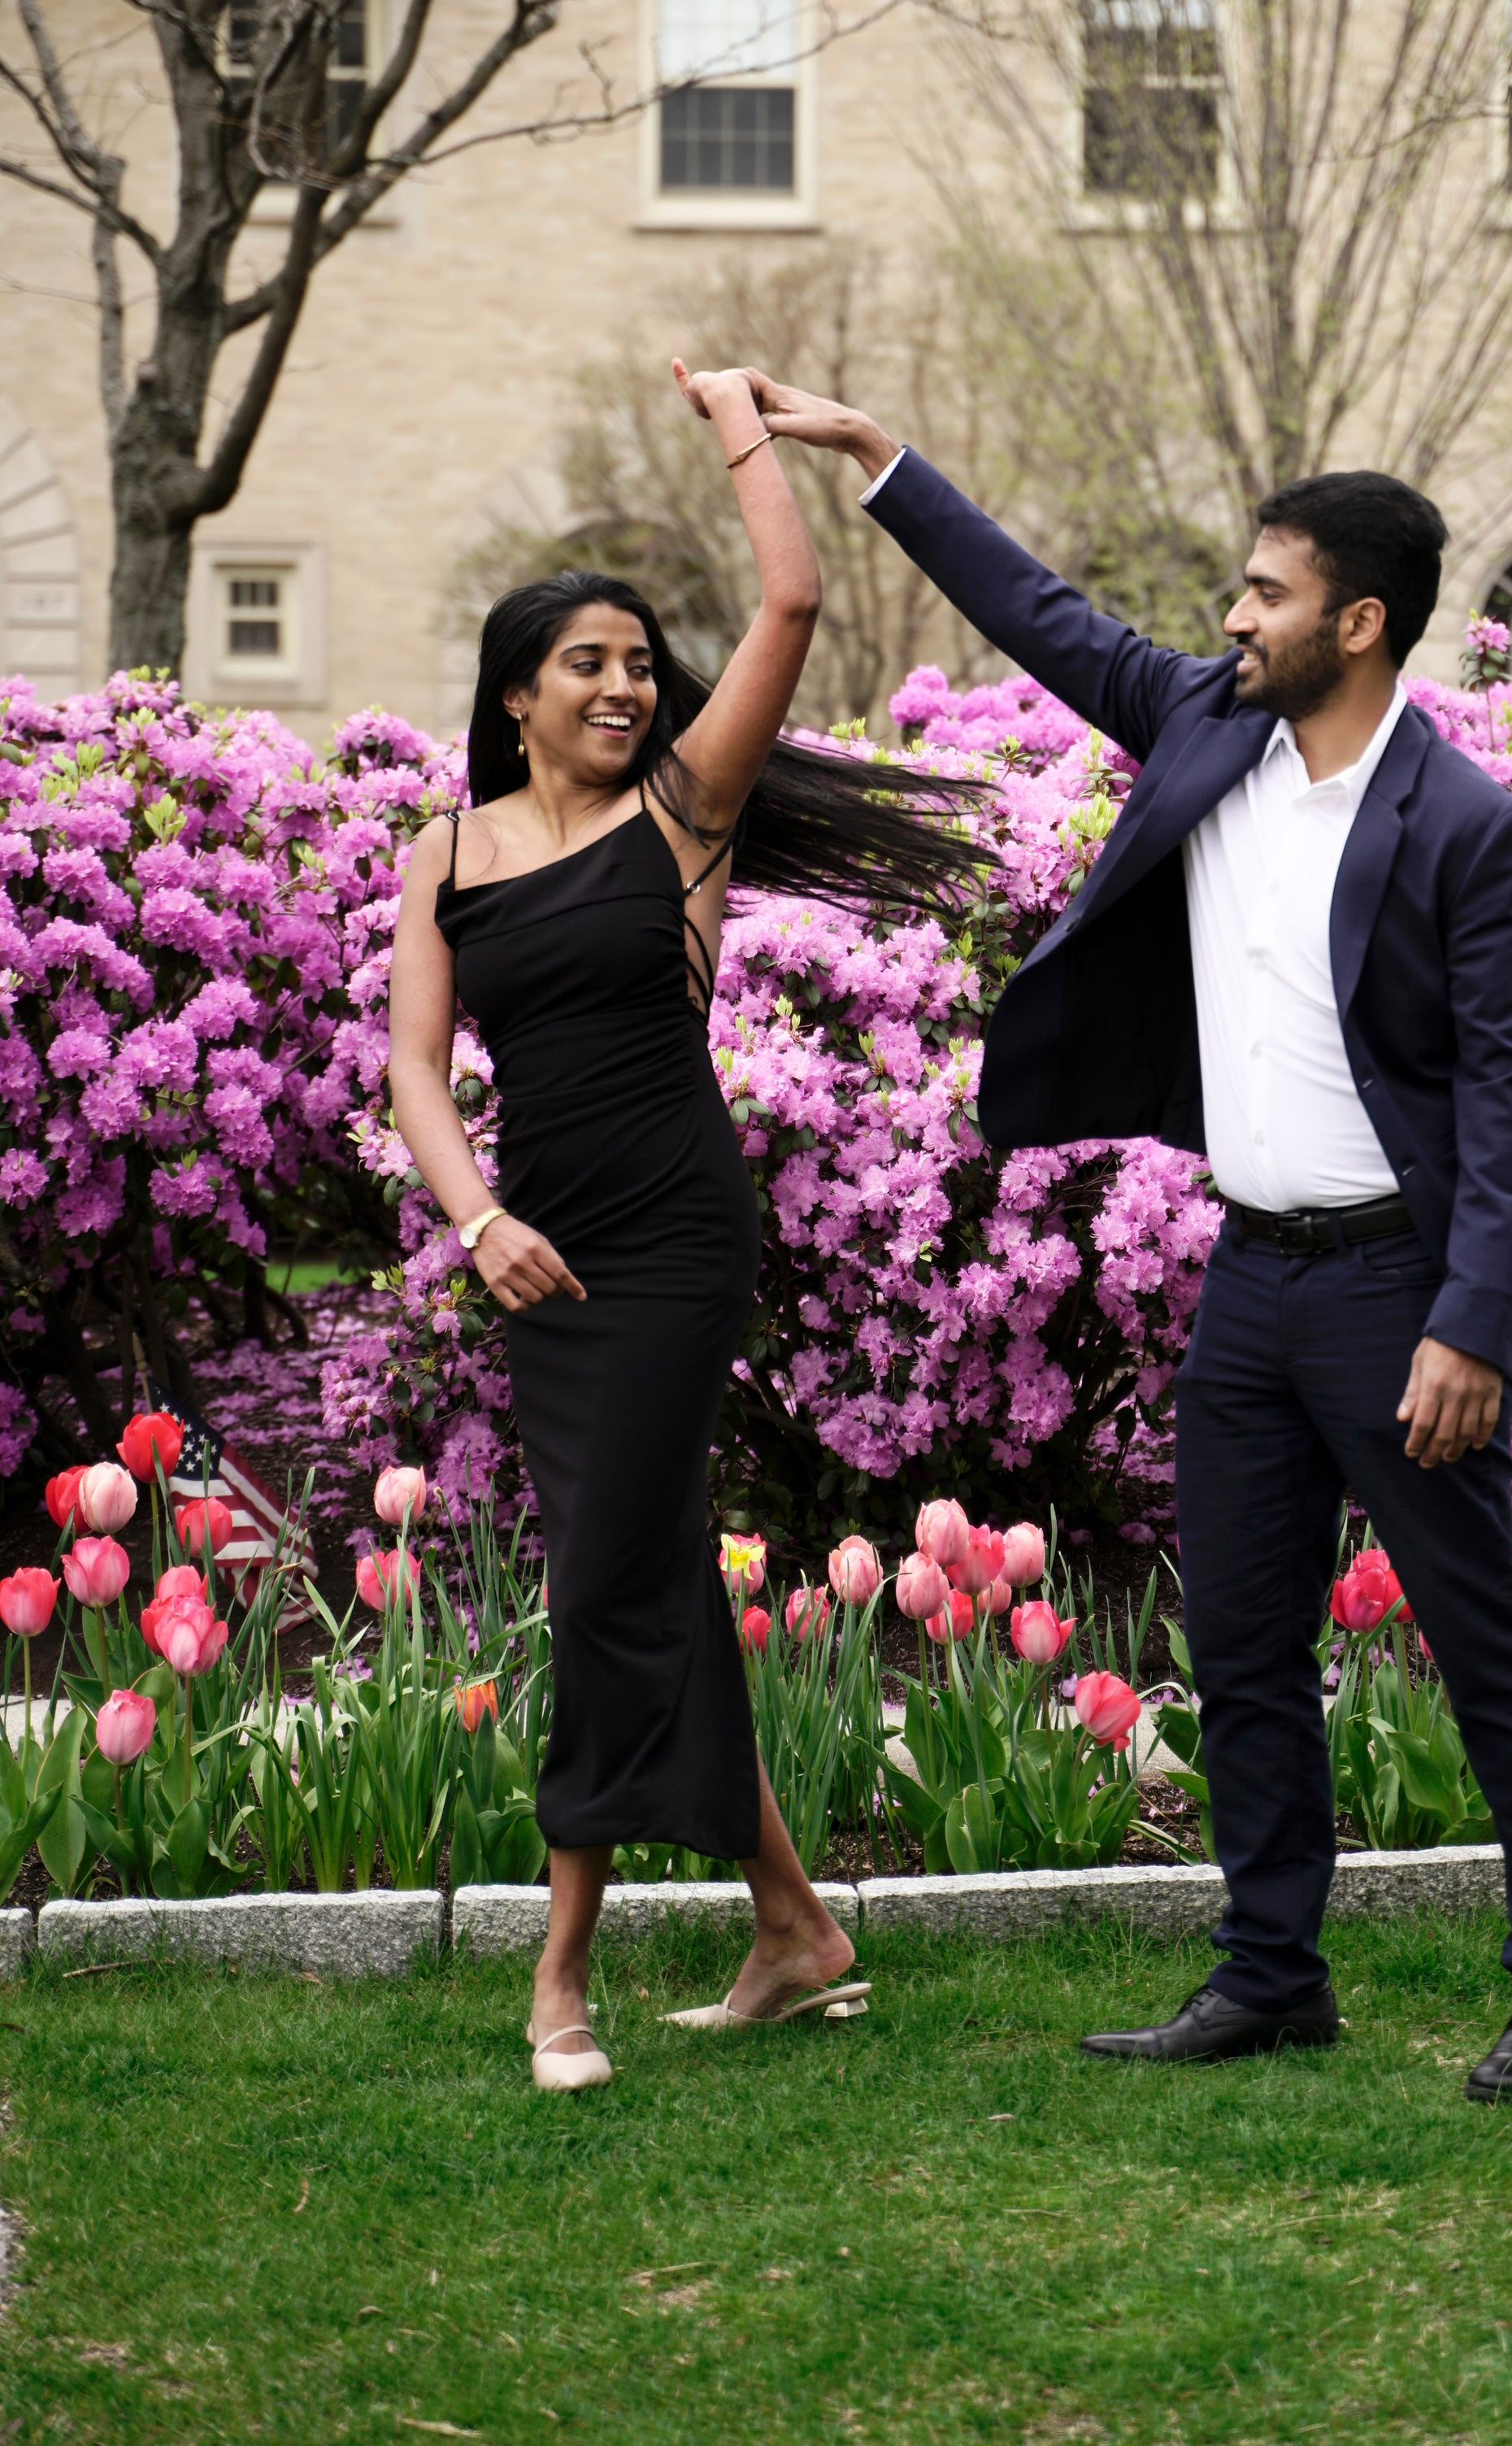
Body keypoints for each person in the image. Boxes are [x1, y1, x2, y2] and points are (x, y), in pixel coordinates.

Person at [748, 376, 1512, 2101]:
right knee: (1236, 1644)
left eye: (1266, 591)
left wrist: (1470, 1319)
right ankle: (1270, 1972)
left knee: (1485, 1647)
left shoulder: (1464, 825)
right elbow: (1041, 614)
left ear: (1355, 622)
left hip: (1395, 1291)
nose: (1230, 615)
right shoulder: (1205, 722)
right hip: (1249, 1279)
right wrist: (876, 463)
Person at [388, 361, 982, 2091]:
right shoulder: (445, 849)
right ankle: (792, 1926)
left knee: (602, 1584)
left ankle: (557, 1969)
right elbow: (418, 1070)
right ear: (515, 695)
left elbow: (790, 595)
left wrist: (747, 427)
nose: (627, 683)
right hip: (536, 1243)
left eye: (641, 662)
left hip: (666, 1232)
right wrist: (475, 1214)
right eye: (590, 660)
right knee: (642, 1576)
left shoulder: (681, 815)